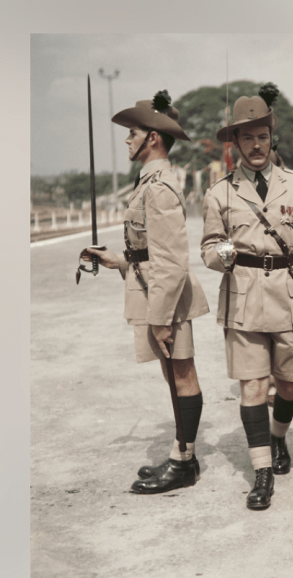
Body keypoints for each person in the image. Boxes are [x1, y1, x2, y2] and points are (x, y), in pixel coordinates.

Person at [80, 90, 210, 494]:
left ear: (152, 137)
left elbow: (172, 260)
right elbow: (149, 250)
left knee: (182, 374)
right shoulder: (150, 182)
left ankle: (183, 464)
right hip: (152, 288)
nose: (126, 140)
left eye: (132, 133)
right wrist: (118, 261)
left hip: (165, 297)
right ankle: (182, 455)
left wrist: (160, 318)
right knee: (171, 374)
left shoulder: (159, 187)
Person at [200, 88, 293, 511]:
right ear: (234, 143)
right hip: (244, 296)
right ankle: (262, 472)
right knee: (252, 386)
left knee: (289, 384)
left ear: (273, 140)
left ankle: (277, 437)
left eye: (262, 137)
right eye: (247, 138)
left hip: (290, 296)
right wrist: (221, 255)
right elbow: (208, 248)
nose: (256, 145)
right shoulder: (220, 194)